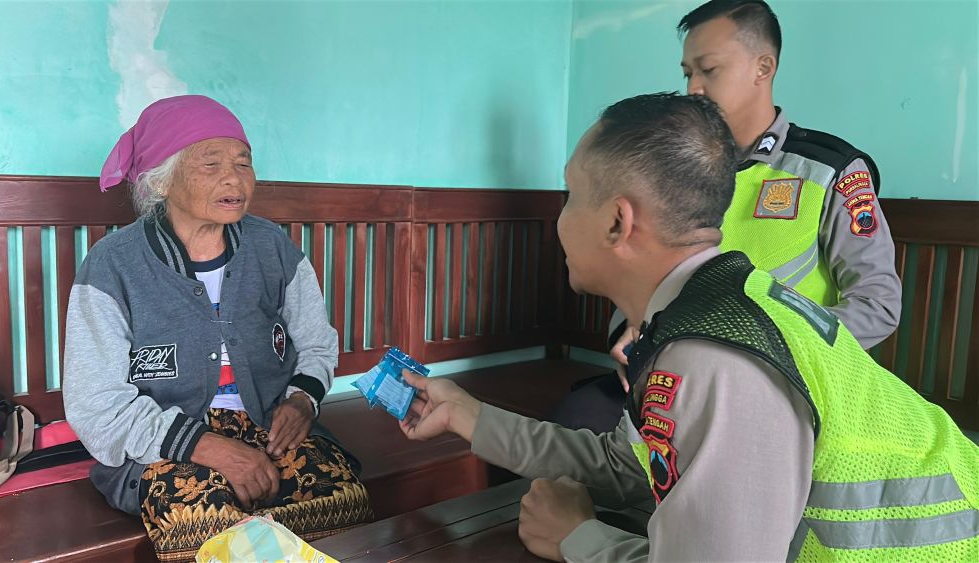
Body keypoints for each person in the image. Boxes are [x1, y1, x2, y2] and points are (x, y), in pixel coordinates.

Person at [397, 93, 979, 562]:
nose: (560, 216)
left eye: (571, 195)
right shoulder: (713, 306)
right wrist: (466, 415)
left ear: (618, 222)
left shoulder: (717, 359)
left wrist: (578, 538)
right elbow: (628, 466)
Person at [552, 0, 902, 433]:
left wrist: (761, 345)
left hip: (787, 386)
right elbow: (638, 263)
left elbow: (877, 304)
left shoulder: (827, 169)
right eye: (687, 73)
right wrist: (630, 328)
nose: (694, 88)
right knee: (580, 420)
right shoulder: (673, 164)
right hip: (674, 374)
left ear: (763, 67)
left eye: (709, 70)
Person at [63, 95, 371, 561]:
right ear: (161, 181)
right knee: (204, 524)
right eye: (211, 164)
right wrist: (208, 447)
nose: (234, 178)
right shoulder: (113, 266)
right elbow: (96, 403)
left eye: (243, 163)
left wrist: (303, 400)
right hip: (166, 441)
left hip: (271, 426)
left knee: (338, 498)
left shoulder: (273, 248)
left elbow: (316, 342)